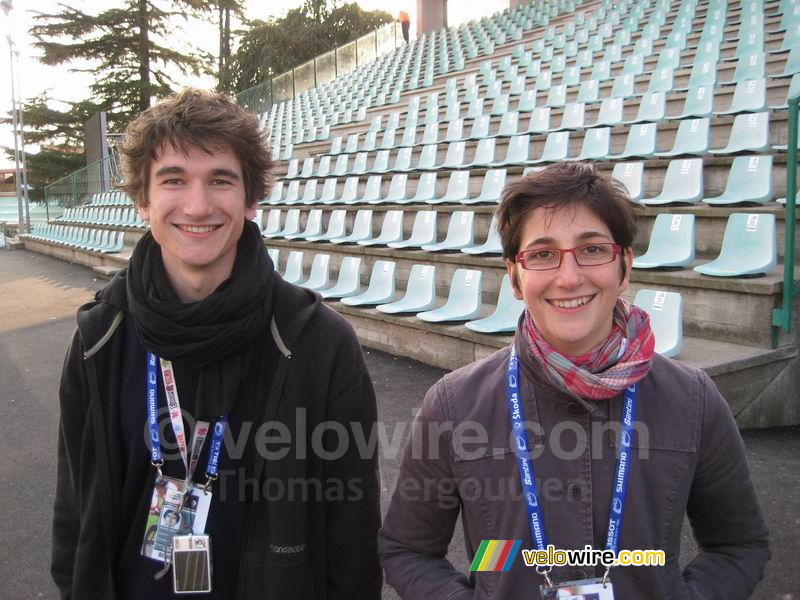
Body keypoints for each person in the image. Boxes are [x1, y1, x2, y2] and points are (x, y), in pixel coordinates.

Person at [378, 163, 770, 599]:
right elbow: (407, 550)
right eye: (543, 254)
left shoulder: (692, 399)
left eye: (592, 249)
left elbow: (739, 545)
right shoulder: (453, 404)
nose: (569, 277)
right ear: (515, 277)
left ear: (624, 266)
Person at [51, 88, 382, 599]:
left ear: (251, 199)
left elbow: (352, 531)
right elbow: (76, 506)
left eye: (220, 180)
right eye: (174, 180)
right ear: (143, 200)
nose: (198, 204)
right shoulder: (101, 337)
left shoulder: (318, 342)